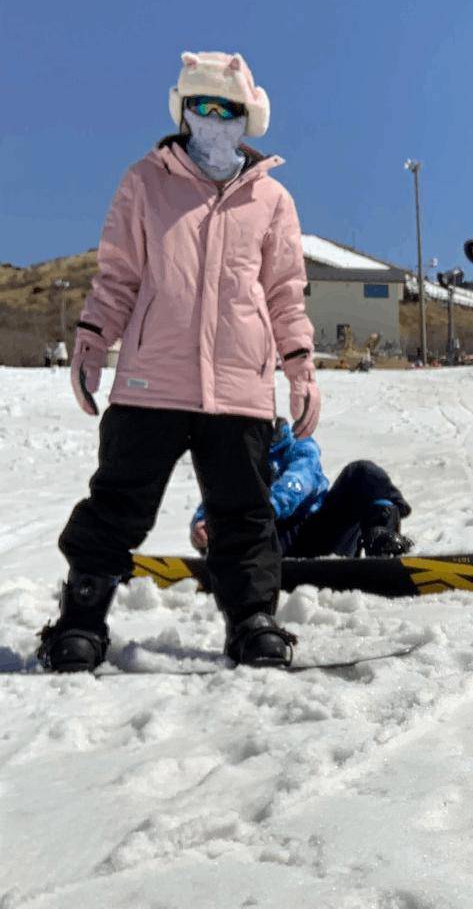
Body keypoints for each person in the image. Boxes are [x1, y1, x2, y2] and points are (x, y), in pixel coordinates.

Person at [37, 51, 320, 673]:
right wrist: (91, 342)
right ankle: (81, 616)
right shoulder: (145, 181)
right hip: (149, 383)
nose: (213, 118)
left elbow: (284, 293)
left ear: (247, 117)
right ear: (183, 110)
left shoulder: (270, 199)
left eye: (226, 108)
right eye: (201, 105)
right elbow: (119, 276)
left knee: (243, 512)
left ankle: (251, 619)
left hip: (238, 388)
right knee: (118, 503)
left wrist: (299, 366)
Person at [190, 417, 412, 562]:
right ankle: (226, 558)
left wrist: (267, 507)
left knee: (362, 472)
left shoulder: (299, 444)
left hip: (320, 533)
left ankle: (382, 540)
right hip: (271, 542)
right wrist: (202, 526)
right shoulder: (240, 459)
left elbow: (300, 480)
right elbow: (219, 494)